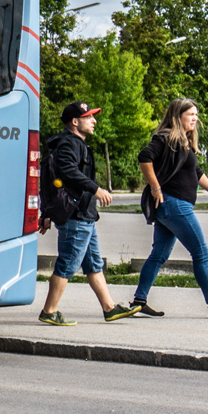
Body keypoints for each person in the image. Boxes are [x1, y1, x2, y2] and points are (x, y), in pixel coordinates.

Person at [38, 102, 141, 326]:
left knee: (94, 263)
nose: (94, 121)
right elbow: (67, 172)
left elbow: (52, 181)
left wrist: (46, 212)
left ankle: (109, 308)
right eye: (89, 117)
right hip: (76, 216)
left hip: (84, 216)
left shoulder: (73, 143)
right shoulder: (69, 144)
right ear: (75, 122)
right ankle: (49, 311)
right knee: (67, 263)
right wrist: (96, 189)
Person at [130, 98, 208, 318]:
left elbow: (197, 173)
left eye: (196, 114)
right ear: (177, 116)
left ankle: (139, 302)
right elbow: (144, 157)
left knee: (159, 254)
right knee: (200, 252)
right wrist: (155, 187)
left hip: (171, 206)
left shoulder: (183, 142)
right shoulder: (166, 138)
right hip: (175, 205)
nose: (195, 118)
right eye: (190, 114)